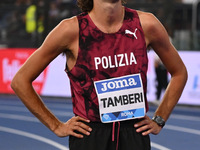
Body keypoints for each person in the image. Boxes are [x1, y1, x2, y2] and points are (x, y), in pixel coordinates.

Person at [11, 0, 188, 150]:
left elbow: (179, 72)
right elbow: (20, 81)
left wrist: (159, 119)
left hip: (134, 133)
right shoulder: (71, 30)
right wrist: (56, 126)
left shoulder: (146, 24)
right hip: (90, 136)